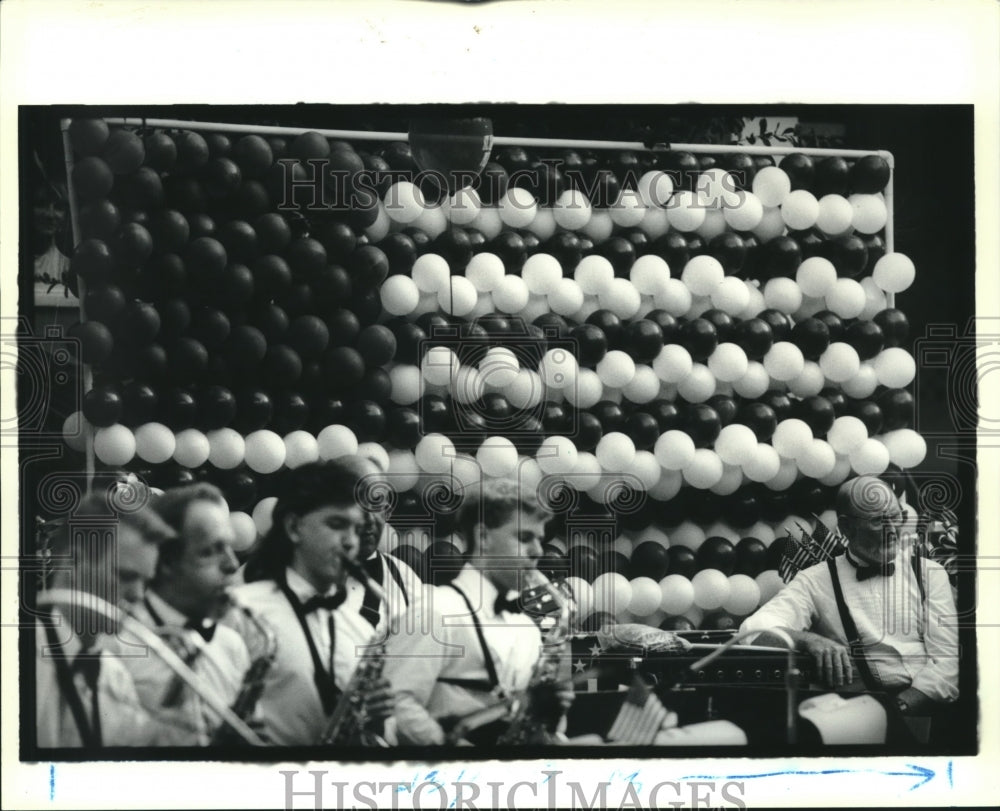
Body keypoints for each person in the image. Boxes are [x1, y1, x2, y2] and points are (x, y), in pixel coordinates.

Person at [739, 475, 959, 740]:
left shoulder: (929, 574)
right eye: (878, 521)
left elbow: (946, 663)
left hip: (921, 712)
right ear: (846, 527)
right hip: (853, 721)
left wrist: (898, 708)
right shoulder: (815, 580)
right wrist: (807, 640)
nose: (892, 530)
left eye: (897, 517)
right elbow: (751, 633)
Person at [382, 478, 564, 746]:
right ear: (483, 537)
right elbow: (397, 702)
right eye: (524, 538)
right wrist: (449, 745)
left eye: (539, 540)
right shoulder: (435, 610)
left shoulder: (527, 627)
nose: (537, 551)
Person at [231, 460, 398, 746]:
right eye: (336, 524)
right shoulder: (240, 611)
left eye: (356, 529)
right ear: (294, 527)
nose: (350, 542)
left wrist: (376, 723)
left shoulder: (359, 629)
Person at [35, 491, 175, 748]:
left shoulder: (113, 676)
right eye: (125, 576)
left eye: (145, 580)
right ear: (75, 563)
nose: (138, 595)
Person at [120, 483, 253, 746]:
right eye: (211, 551)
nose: (232, 564)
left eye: (229, 547)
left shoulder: (232, 645)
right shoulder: (119, 645)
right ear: (167, 561)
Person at [336, 455, 422, 639]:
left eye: (376, 502)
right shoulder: (298, 574)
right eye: (356, 501)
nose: (369, 517)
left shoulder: (406, 580)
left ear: (387, 511)